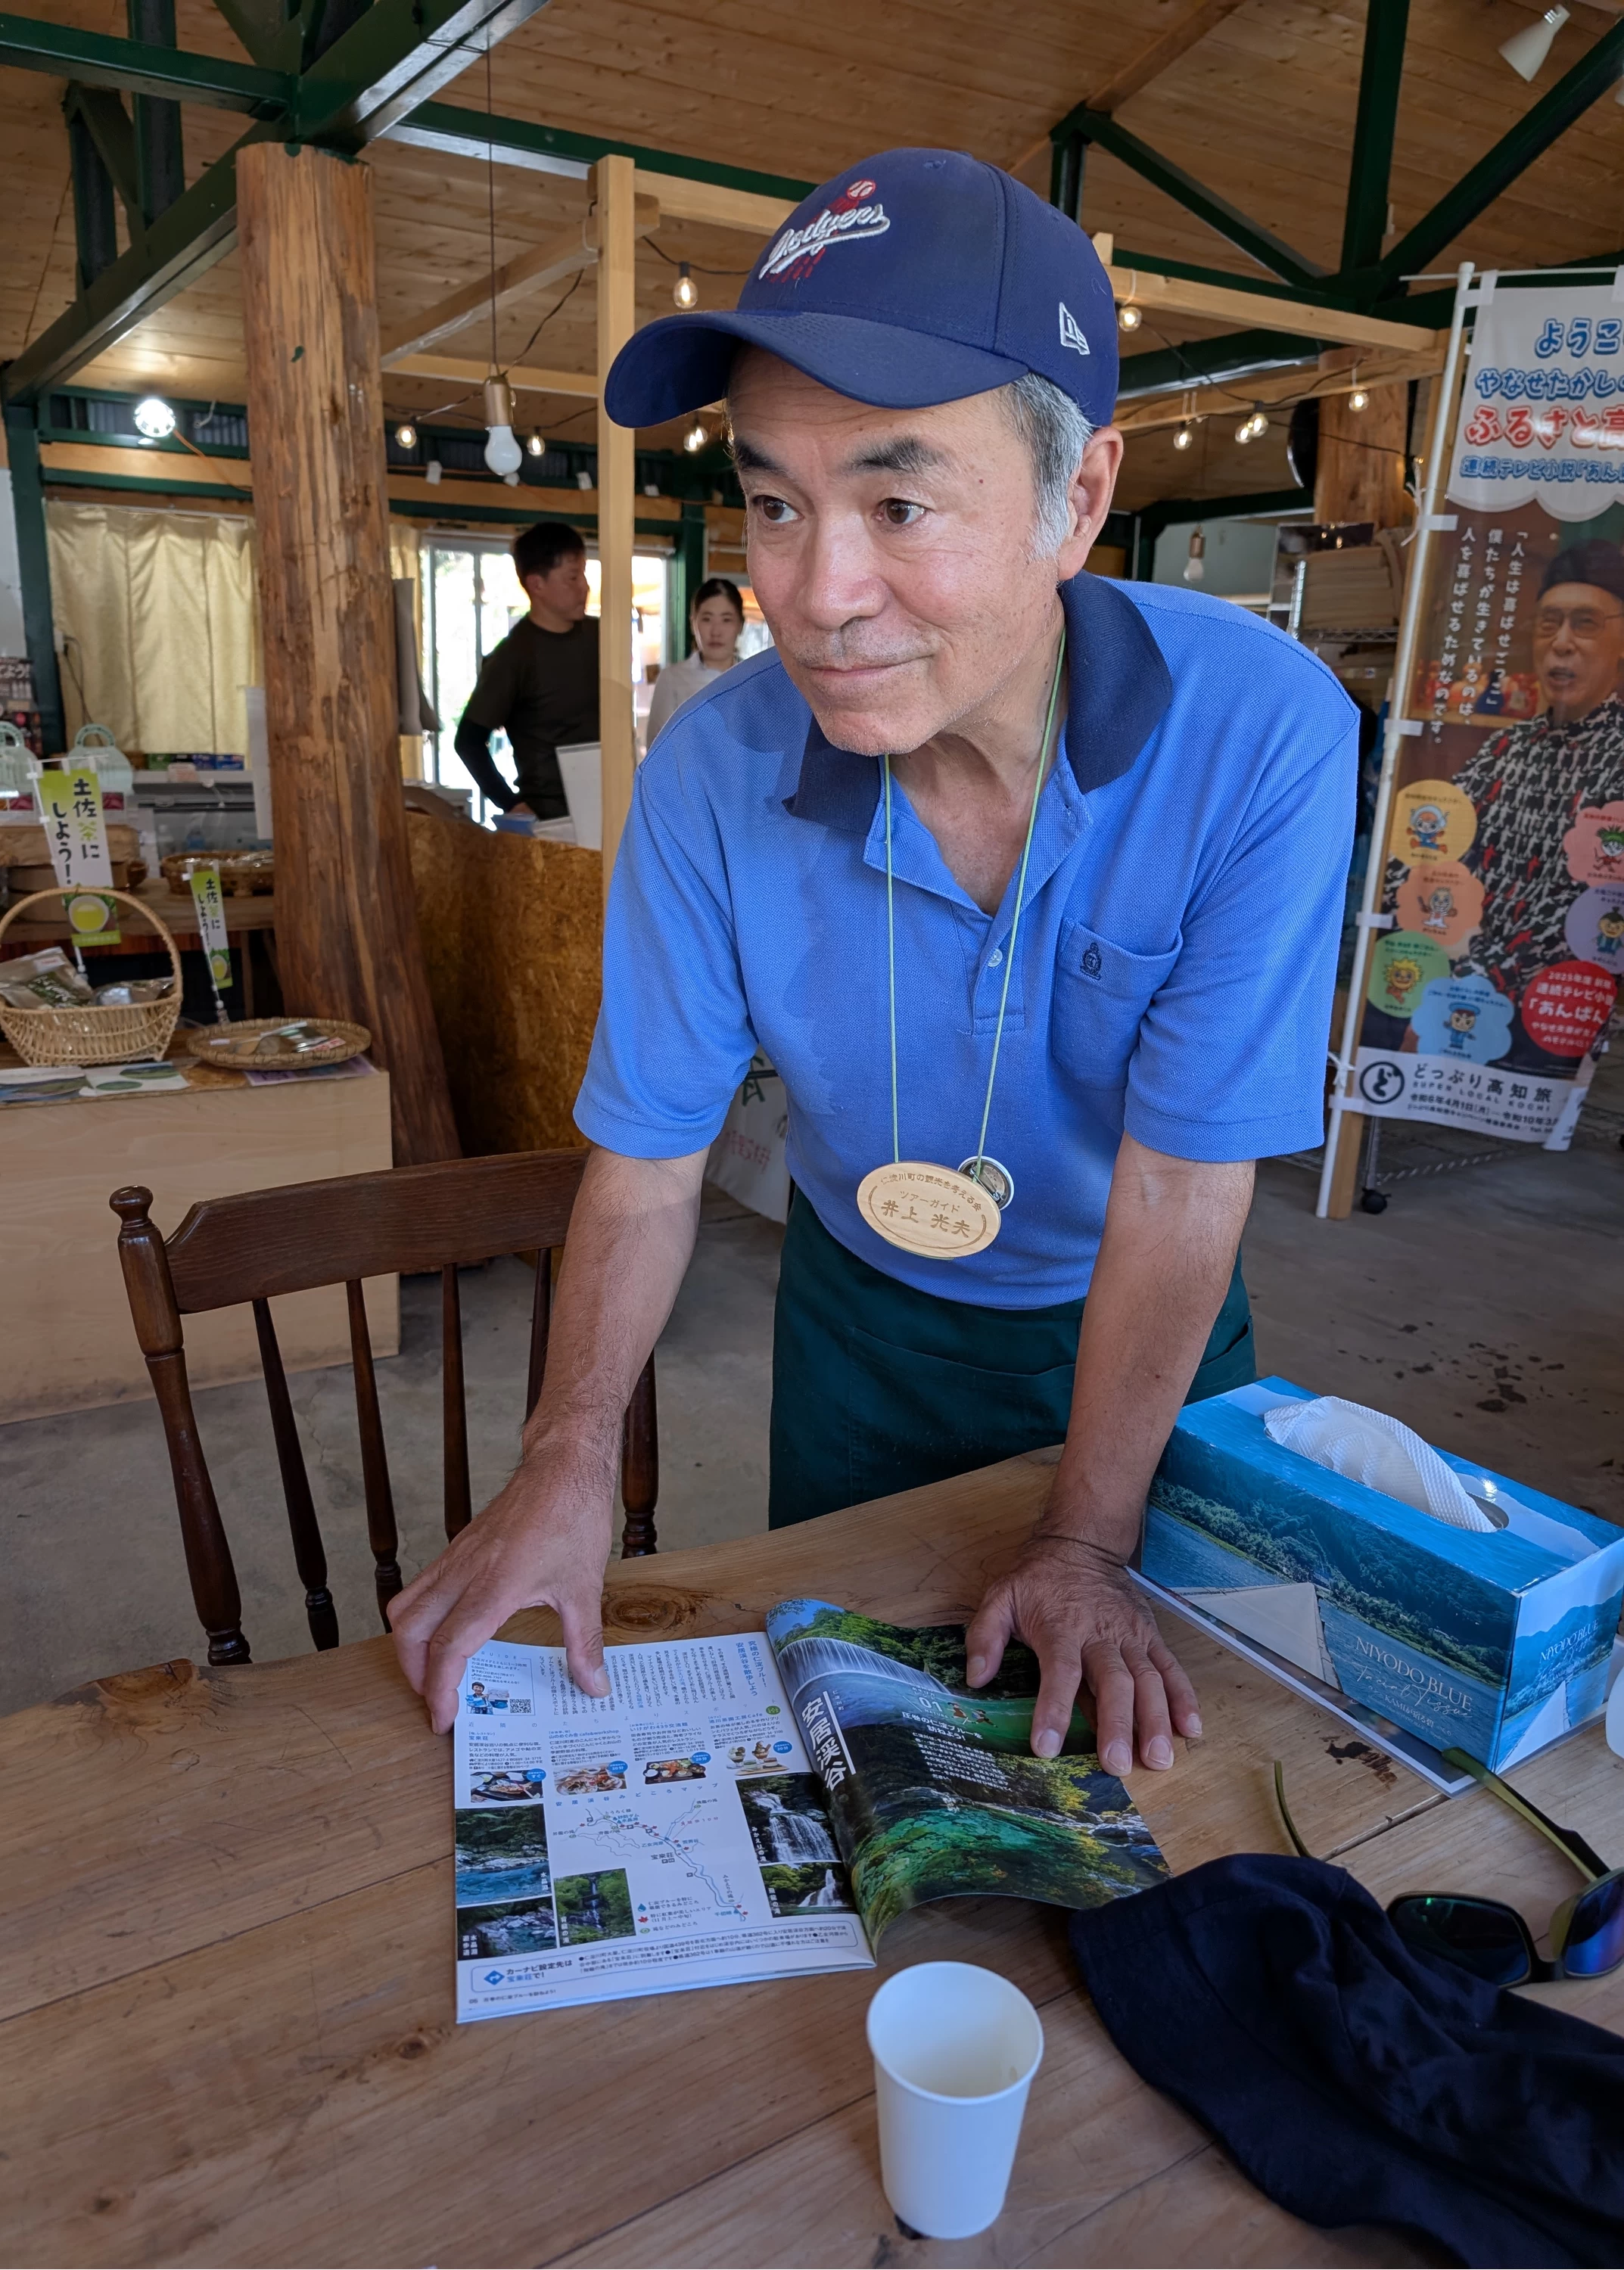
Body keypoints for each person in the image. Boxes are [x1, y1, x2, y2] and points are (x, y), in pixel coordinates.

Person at [390, 149, 1355, 1783]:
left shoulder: (1258, 735)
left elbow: (1186, 1185)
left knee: (1168, 1800)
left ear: (1080, 501)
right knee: (868, 1791)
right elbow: (644, 1168)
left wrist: (1090, 1539)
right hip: (862, 1333)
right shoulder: (710, 780)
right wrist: (563, 1458)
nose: (814, 598)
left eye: (900, 504)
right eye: (774, 502)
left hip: (1150, 1335)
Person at [1453, 538, 1624, 1007]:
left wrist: (1474, 985)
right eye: (1549, 623)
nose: (1561, 643)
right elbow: (1436, 852)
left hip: (1554, 1009)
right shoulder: (1506, 745)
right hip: (1453, 992)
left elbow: (1581, 910)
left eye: (1585, 624)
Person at [454, 522, 599, 820]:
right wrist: (511, 804)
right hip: (554, 820)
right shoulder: (513, 656)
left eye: (584, 574)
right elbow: (468, 741)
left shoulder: (602, 636)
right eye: (572, 577)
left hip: (615, 807)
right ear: (537, 585)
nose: (584, 586)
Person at [646, 577, 747, 745]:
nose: (716, 631)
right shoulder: (672, 679)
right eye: (707, 619)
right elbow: (656, 748)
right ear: (693, 623)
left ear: (741, 625)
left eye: (726, 620)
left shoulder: (752, 678)